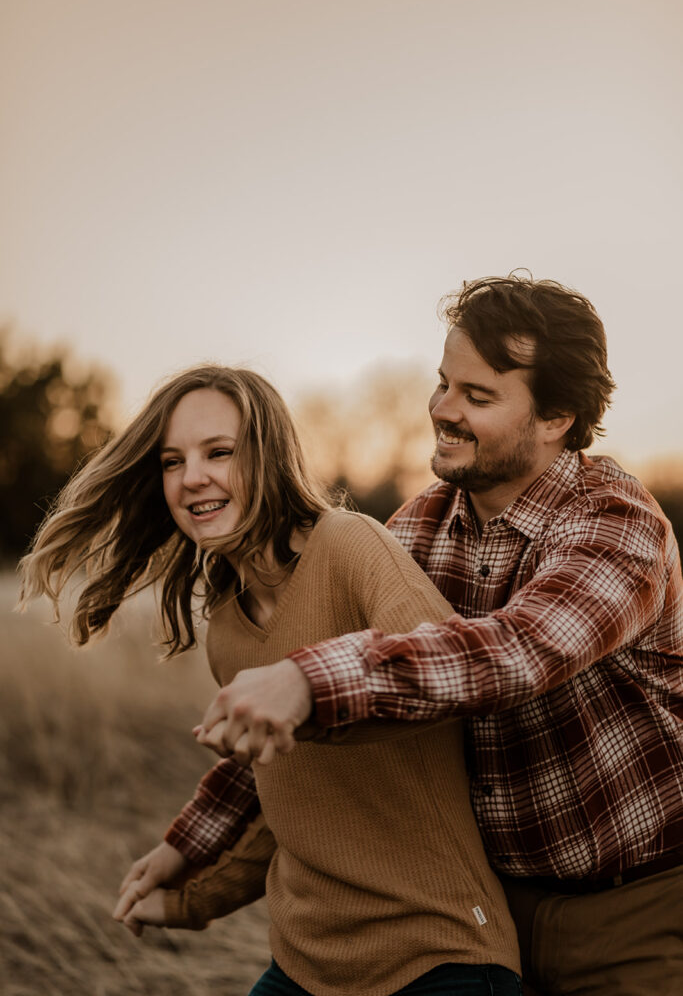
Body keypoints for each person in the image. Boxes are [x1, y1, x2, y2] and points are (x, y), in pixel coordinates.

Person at [119, 275, 683, 996]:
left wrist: (307, 678)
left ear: (556, 417)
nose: (442, 410)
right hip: (486, 908)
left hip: (631, 911)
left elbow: (515, 653)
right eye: (443, 383)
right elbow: (292, 728)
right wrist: (188, 845)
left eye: (476, 397)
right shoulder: (415, 527)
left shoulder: (615, 523)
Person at [19, 365, 522, 996]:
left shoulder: (349, 544)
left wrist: (308, 684)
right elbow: (282, 801)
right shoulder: (228, 628)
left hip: (439, 958)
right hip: (302, 969)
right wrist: (185, 881)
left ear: (270, 455)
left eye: (220, 452)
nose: (193, 476)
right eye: (173, 461)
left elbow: (447, 673)